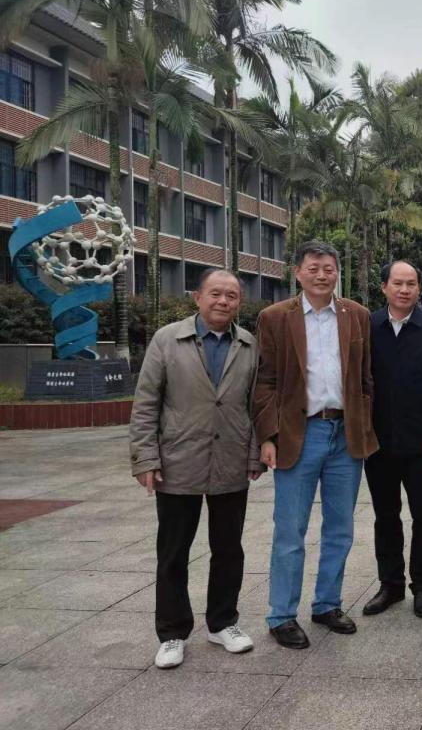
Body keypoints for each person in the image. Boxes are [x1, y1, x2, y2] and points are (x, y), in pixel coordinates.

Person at [130, 268, 262, 668]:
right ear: (197, 297)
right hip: (178, 460)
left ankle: (223, 623)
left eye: (231, 296)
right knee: (173, 551)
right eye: (215, 294)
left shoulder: (249, 344)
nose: (223, 301)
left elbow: (255, 405)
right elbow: (146, 402)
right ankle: (172, 632)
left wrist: (254, 454)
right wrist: (145, 457)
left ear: (239, 302)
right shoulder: (167, 339)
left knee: (228, 548)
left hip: (230, 459)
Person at [254, 241, 378, 649]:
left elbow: (366, 378)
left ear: (337, 272)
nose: (322, 275)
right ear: (297, 273)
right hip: (299, 434)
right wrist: (268, 436)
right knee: (290, 530)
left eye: (328, 268)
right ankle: (281, 614)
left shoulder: (356, 315)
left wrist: (364, 423)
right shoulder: (275, 317)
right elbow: (265, 382)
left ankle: (327, 604)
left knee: (340, 528)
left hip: (345, 434)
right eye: (313, 268)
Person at [362, 261, 422, 619]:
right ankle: (391, 585)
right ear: (384, 286)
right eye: (397, 283)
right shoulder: (367, 325)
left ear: (418, 288)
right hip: (378, 443)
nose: (404, 290)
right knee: (385, 516)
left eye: (411, 284)